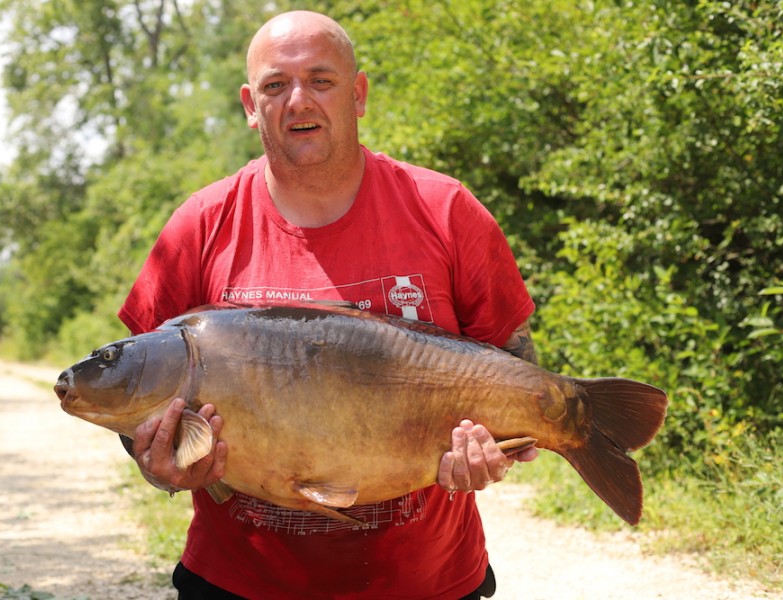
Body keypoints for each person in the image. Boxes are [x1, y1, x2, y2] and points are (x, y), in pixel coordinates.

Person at [117, 10, 539, 600]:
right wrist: (155, 464)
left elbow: (517, 371)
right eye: (275, 85)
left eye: (321, 80)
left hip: (427, 582)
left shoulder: (445, 210)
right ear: (248, 103)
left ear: (358, 93)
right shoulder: (200, 225)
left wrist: (498, 449)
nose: (298, 101)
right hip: (241, 584)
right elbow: (139, 393)